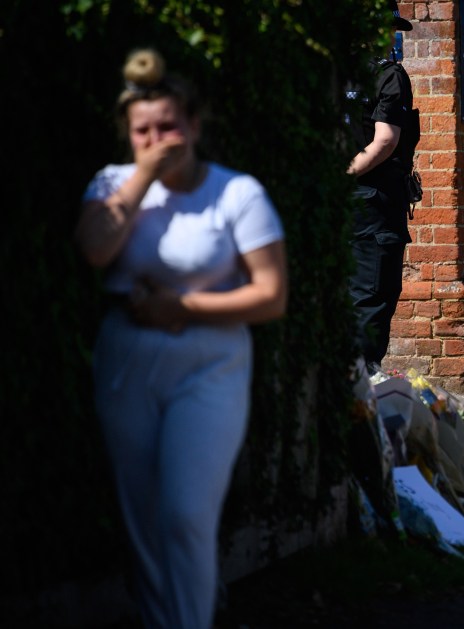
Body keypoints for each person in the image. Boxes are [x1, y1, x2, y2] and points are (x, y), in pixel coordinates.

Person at [74, 48, 288, 627]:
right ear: (128, 134)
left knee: (185, 512)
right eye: (142, 130)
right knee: (142, 515)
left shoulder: (235, 194)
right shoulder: (114, 184)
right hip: (128, 355)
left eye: (168, 125)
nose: (157, 138)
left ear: (194, 124)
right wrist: (143, 175)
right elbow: (95, 250)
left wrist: (182, 305)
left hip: (210, 360)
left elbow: (271, 294)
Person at [347, 0, 419, 374]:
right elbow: (386, 141)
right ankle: (361, 393)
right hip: (374, 205)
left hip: (342, 204)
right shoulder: (389, 75)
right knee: (372, 297)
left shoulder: (340, 72)